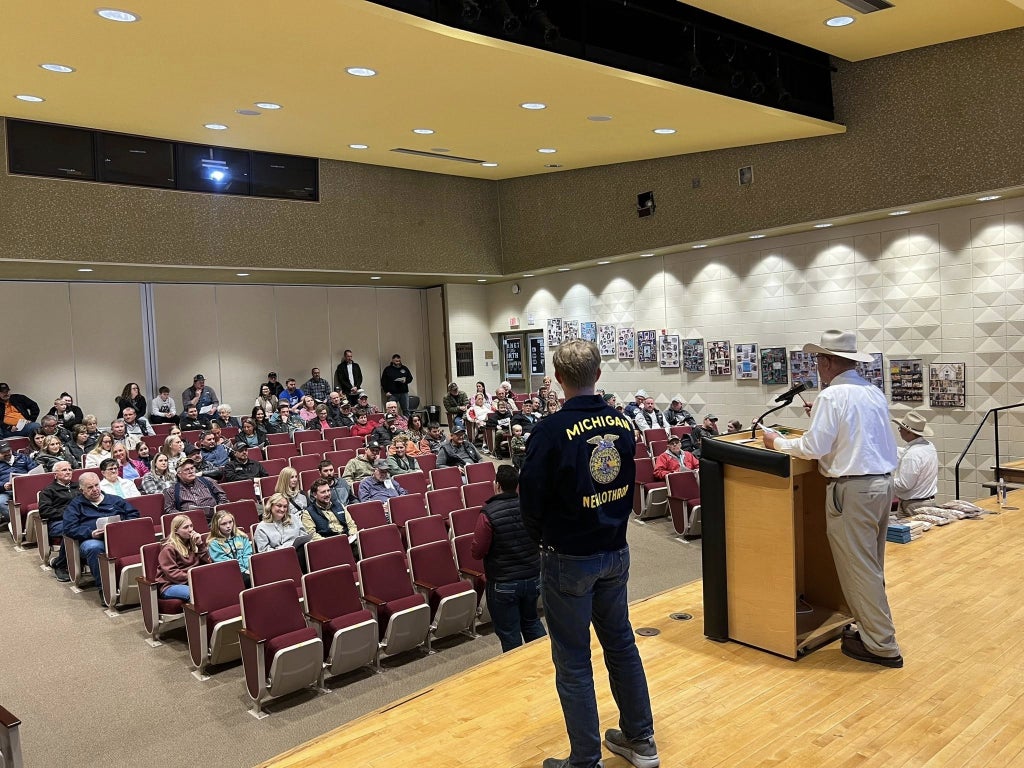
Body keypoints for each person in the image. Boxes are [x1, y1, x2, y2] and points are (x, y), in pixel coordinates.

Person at [520, 339, 657, 768]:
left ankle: (585, 759)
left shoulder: (549, 430)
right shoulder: (620, 422)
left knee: (574, 659)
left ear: (558, 379)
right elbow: (625, 480)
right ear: (598, 374)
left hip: (569, 557)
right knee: (621, 645)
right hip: (615, 549)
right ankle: (641, 740)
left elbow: (531, 499)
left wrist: (546, 537)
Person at [762, 330, 902, 669]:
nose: (817, 366)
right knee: (871, 565)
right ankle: (870, 627)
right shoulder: (872, 393)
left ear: (825, 362)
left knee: (859, 569)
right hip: (882, 485)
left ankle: (882, 645)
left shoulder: (832, 397)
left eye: (817, 360)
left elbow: (814, 448)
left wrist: (776, 444)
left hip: (852, 489)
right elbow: (857, 436)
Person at [472, 464, 546, 653]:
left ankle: (520, 675)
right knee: (532, 622)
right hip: (532, 577)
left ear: (496, 485)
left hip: (504, 582)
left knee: (509, 633)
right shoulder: (530, 506)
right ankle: (544, 662)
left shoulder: (488, 513)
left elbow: (478, 551)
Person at [62, 472, 139, 603]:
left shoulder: (115, 500)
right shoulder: (76, 505)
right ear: (82, 490)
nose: (95, 489)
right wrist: (90, 532)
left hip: (118, 537)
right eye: (90, 487)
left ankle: (133, 585)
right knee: (94, 548)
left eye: (96, 485)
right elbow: (69, 528)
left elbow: (135, 515)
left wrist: (122, 525)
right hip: (93, 540)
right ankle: (105, 589)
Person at [891, 411, 938, 516]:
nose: (900, 432)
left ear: (909, 432)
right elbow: (906, 454)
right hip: (925, 502)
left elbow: (904, 485)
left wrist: (886, 480)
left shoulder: (912, 455)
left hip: (913, 506)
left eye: (901, 429)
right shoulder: (929, 446)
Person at [155, 514, 211, 600]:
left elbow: (208, 562)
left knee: (216, 587)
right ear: (176, 530)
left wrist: (200, 545)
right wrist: (193, 578)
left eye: (191, 526)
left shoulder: (193, 542)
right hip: (171, 585)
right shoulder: (168, 548)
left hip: (191, 581)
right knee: (197, 594)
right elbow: (172, 572)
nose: (190, 530)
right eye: (186, 527)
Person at [38, 461, 77, 581]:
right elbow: (45, 511)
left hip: (79, 519)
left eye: (70, 470)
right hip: (58, 523)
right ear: (55, 474)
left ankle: (65, 560)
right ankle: (60, 565)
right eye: (64, 470)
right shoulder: (48, 491)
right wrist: (67, 514)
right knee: (72, 530)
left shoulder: (79, 486)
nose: (68, 472)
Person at [162, 459, 228, 519]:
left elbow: (222, 496)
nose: (191, 471)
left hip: (215, 518)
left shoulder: (207, 481)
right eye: (187, 469)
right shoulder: (172, 490)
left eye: (192, 468)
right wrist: (183, 516)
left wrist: (218, 511)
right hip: (190, 522)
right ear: (179, 474)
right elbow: (169, 509)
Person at [208, 509, 254, 587]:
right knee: (250, 579)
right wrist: (244, 571)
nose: (228, 526)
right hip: (229, 573)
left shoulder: (242, 536)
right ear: (217, 526)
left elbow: (248, 554)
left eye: (230, 522)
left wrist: (249, 569)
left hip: (247, 570)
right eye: (224, 524)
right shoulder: (214, 543)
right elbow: (226, 564)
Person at [1, 439, 38, 521]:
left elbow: (35, 469)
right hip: (6, 491)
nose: (7, 453)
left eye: (8, 451)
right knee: (1, 502)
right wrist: (3, 486)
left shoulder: (23, 457)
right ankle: (19, 523)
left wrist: (30, 478)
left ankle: (32, 521)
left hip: (27, 487)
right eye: (3, 453)